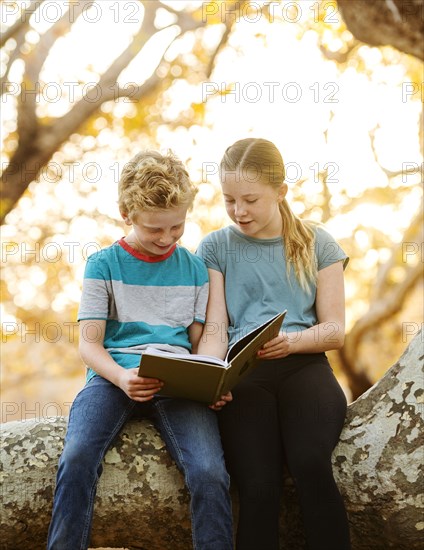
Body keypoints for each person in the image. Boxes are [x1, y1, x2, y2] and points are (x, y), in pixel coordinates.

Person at [47, 150, 234, 550]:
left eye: (177, 227)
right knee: (77, 457)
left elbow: (200, 342)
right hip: (114, 377)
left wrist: (212, 381)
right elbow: (89, 344)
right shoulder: (103, 264)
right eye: (154, 230)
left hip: (178, 381)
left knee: (209, 473)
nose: (166, 239)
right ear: (125, 214)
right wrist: (121, 377)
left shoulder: (194, 268)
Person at [196, 137, 351, 550]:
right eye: (228, 199)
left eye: (250, 199)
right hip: (245, 377)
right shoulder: (215, 247)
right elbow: (214, 326)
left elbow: (335, 329)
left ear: (281, 192)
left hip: (305, 367)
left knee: (310, 464)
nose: (238, 211)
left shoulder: (319, 243)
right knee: (258, 486)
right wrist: (210, 378)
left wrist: (293, 341)